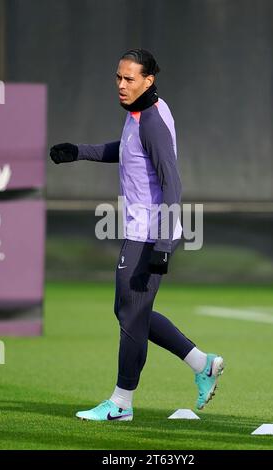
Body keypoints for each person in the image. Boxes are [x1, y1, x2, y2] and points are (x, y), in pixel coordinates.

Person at [50, 49, 224, 422]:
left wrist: (162, 245)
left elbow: (172, 183)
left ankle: (121, 404)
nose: (121, 85)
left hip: (150, 234)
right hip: (143, 231)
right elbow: (128, 152)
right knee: (131, 311)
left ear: (149, 80)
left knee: (131, 318)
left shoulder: (152, 122)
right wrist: (79, 151)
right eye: (118, 77)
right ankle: (202, 363)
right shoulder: (140, 114)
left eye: (129, 79)